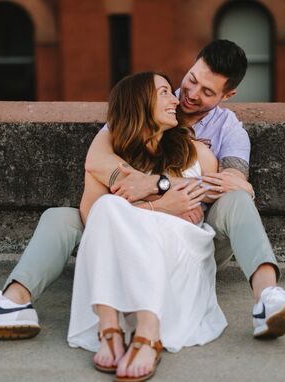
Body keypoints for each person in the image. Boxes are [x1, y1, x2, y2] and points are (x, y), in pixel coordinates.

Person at [0, 39, 285, 342]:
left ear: (228, 94)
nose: (189, 95)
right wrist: (153, 193)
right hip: (126, 219)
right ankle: (13, 304)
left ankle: (267, 297)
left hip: (191, 230)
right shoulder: (150, 98)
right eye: (190, 80)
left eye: (207, 91)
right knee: (59, 219)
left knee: (237, 200)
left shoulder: (229, 131)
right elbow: (98, 158)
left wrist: (173, 187)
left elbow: (233, 183)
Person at [68, 71, 226, 381]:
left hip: (180, 250)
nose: (175, 99)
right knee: (107, 206)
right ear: (139, 103)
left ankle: (148, 329)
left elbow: (196, 212)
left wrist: (147, 203)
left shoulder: (200, 155)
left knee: (113, 206)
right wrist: (159, 206)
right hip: (129, 253)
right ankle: (110, 327)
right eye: (165, 92)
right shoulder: (110, 156)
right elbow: (92, 215)